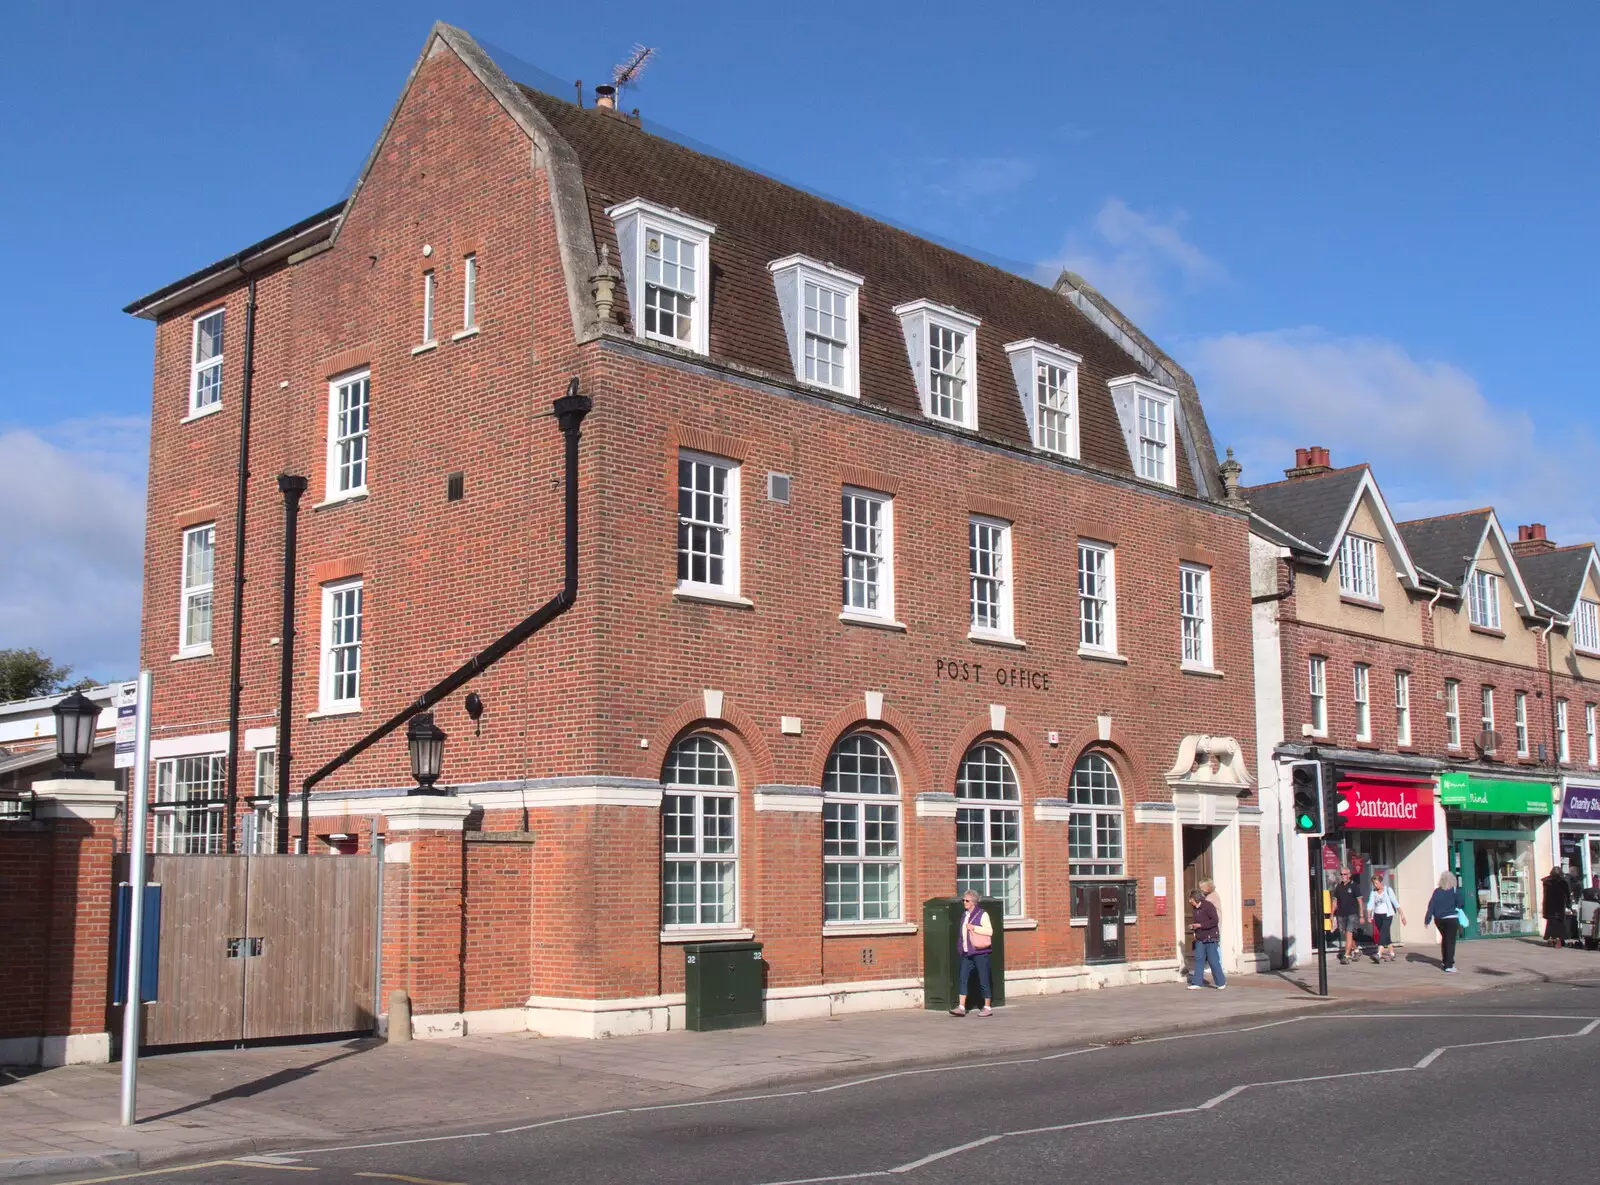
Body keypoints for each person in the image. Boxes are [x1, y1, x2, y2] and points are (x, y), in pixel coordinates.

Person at [949, 889, 994, 1018]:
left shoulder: (982, 914)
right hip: (967, 953)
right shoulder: (965, 915)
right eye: (963, 900)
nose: (964, 902)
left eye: (967, 900)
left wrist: (974, 927)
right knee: (963, 978)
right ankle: (961, 1007)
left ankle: (987, 1007)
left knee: (983, 978)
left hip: (980, 952)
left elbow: (990, 931)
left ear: (973, 902)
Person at [1424, 871, 1464, 973]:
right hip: (1451, 918)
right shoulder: (1455, 891)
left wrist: (1427, 919)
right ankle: (1449, 965)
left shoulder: (1437, 891)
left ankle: (1445, 960)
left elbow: (1431, 905)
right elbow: (1461, 904)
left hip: (1439, 919)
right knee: (1450, 941)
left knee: (1445, 939)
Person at [1187, 888, 1226, 990]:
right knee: (1199, 959)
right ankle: (1197, 982)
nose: (1189, 901)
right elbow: (1197, 921)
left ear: (1195, 898)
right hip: (1200, 937)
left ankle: (1221, 982)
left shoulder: (1208, 906)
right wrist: (1194, 927)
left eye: (1191, 899)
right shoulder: (1195, 909)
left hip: (1210, 937)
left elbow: (1214, 921)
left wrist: (1200, 925)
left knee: (1213, 960)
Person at [1366, 870, 1406, 963]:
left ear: (1380, 882)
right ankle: (1392, 953)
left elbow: (1395, 903)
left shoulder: (1388, 890)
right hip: (1377, 915)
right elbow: (1370, 904)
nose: (1375, 885)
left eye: (1376, 883)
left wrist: (1402, 916)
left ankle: (1379, 954)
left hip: (1387, 915)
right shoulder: (1374, 892)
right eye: (1374, 884)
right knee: (1385, 935)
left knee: (1383, 934)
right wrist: (1369, 915)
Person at [1331, 867, 1364, 965]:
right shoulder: (1339, 886)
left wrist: (1362, 915)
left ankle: (1347, 955)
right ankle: (1357, 950)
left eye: (1345, 874)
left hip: (1352, 914)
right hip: (1341, 914)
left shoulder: (1354, 886)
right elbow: (1335, 901)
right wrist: (1332, 914)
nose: (1343, 876)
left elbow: (1360, 901)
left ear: (1349, 875)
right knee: (1346, 934)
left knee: (1349, 934)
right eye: (1341, 874)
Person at [1543, 866, 1573, 948]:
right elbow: (1567, 895)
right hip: (1558, 906)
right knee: (1559, 923)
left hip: (1549, 906)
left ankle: (1552, 939)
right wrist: (1569, 906)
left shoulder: (1546, 882)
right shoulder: (1562, 882)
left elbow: (1545, 895)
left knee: (1551, 923)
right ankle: (1558, 940)